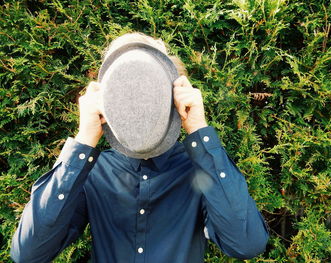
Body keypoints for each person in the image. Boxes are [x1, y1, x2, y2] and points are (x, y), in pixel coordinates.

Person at [10, 33, 269, 263]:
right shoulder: (92, 172)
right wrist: (84, 139)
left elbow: (246, 243)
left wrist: (199, 129)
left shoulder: (198, 169)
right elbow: (29, 253)